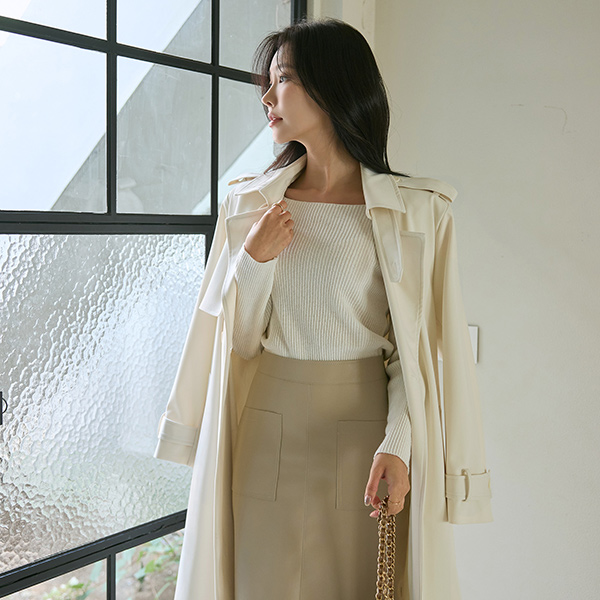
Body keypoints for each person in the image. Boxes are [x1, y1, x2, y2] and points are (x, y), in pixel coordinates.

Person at [154, 15, 493, 600]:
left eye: (283, 79)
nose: (267, 96)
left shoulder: (418, 213)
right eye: (268, 82)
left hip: (366, 434)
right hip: (266, 428)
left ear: (333, 86)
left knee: (361, 584)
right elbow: (239, 345)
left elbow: (413, 358)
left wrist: (398, 445)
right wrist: (253, 260)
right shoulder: (249, 204)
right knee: (260, 584)